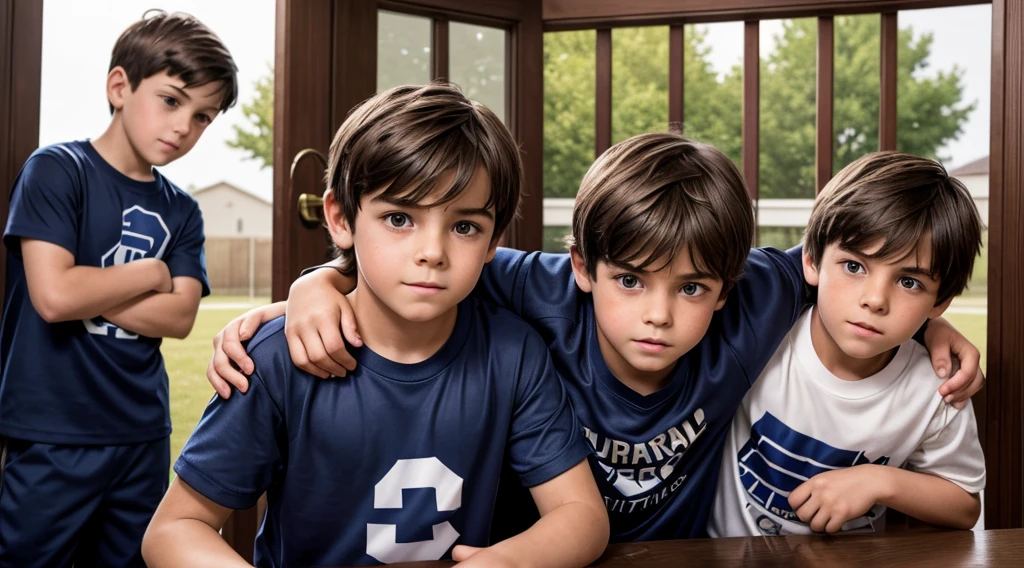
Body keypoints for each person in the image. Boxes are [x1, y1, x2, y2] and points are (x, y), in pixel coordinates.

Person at [209, 133, 983, 542]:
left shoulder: (757, 292)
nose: (657, 314)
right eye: (631, 281)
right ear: (583, 266)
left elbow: (863, 274)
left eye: (690, 290)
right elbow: (424, 265)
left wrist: (931, 320)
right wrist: (319, 285)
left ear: (725, 288)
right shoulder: (539, 287)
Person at [141, 83, 608, 567]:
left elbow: (581, 514)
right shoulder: (274, 359)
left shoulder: (515, 355)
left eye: (465, 227)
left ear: (494, 241)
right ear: (340, 219)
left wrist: (509, 562)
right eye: (399, 218)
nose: (432, 252)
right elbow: (175, 529)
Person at [0, 11, 237, 567]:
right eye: (172, 100)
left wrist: (91, 283)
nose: (184, 127)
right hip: (52, 424)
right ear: (119, 87)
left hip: (140, 429)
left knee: (133, 560)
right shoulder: (58, 171)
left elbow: (180, 317)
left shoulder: (183, 209)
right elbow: (54, 298)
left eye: (202, 117)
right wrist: (152, 274)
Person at [707, 152, 986, 537]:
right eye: (854, 266)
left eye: (909, 282)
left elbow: (965, 505)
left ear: (939, 303)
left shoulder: (936, 389)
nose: (875, 300)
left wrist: (879, 481)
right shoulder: (765, 335)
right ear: (812, 261)